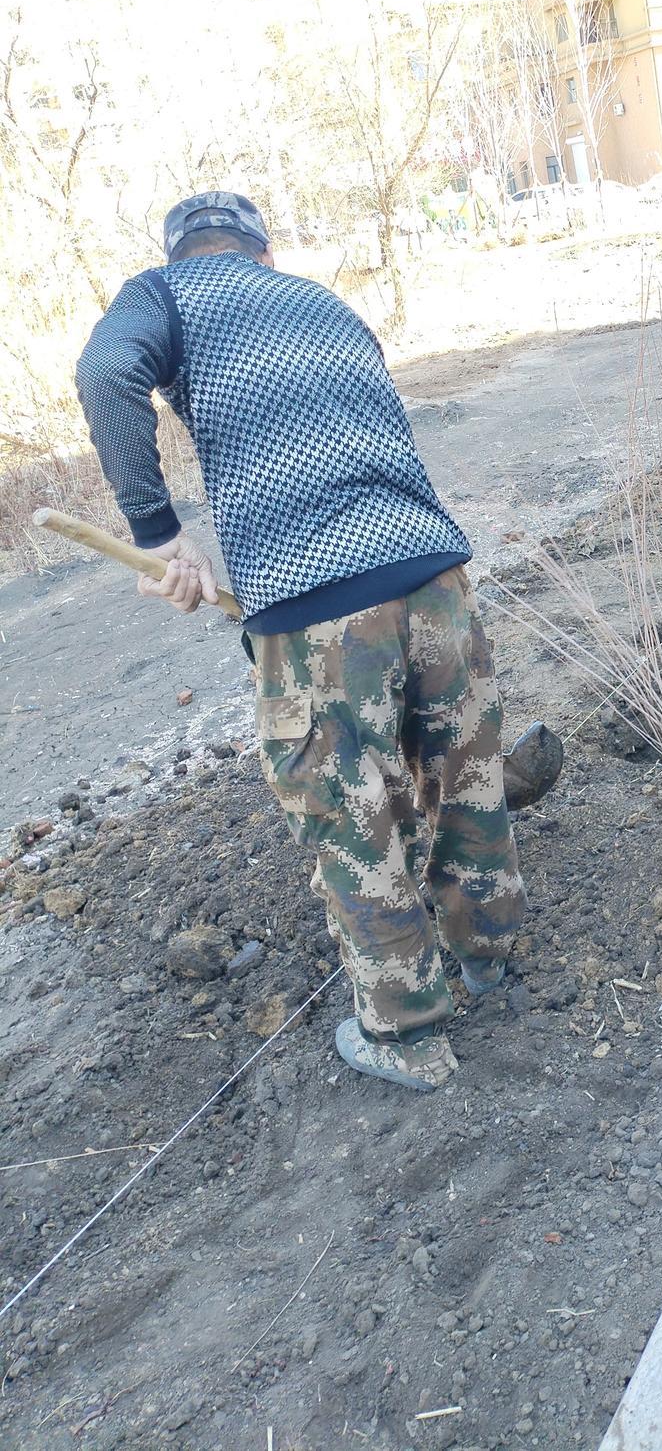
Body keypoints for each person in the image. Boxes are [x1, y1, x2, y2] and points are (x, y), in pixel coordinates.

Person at [75, 191, 529, 1094]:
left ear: (181, 252)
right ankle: (489, 958)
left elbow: (103, 375)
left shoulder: (163, 294)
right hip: (434, 574)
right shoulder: (322, 302)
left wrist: (158, 530)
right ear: (262, 253)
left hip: (317, 604)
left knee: (352, 809)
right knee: (462, 776)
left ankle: (404, 1034)